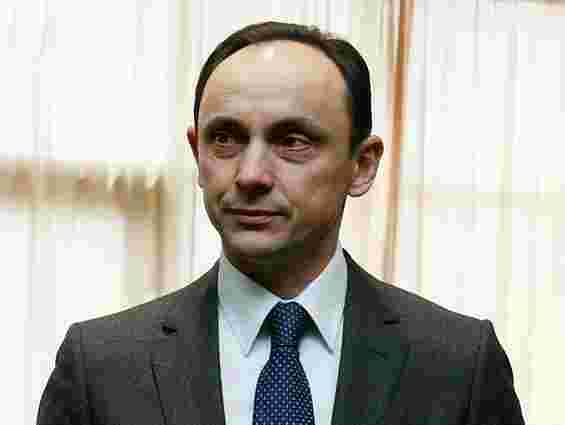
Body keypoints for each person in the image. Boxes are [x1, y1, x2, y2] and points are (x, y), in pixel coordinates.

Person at [37, 21, 525, 425]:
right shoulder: (100, 368)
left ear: (362, 165)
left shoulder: (459, 366)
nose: (250, 174)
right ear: (197, 153)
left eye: (292, 141)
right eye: (225, 139)